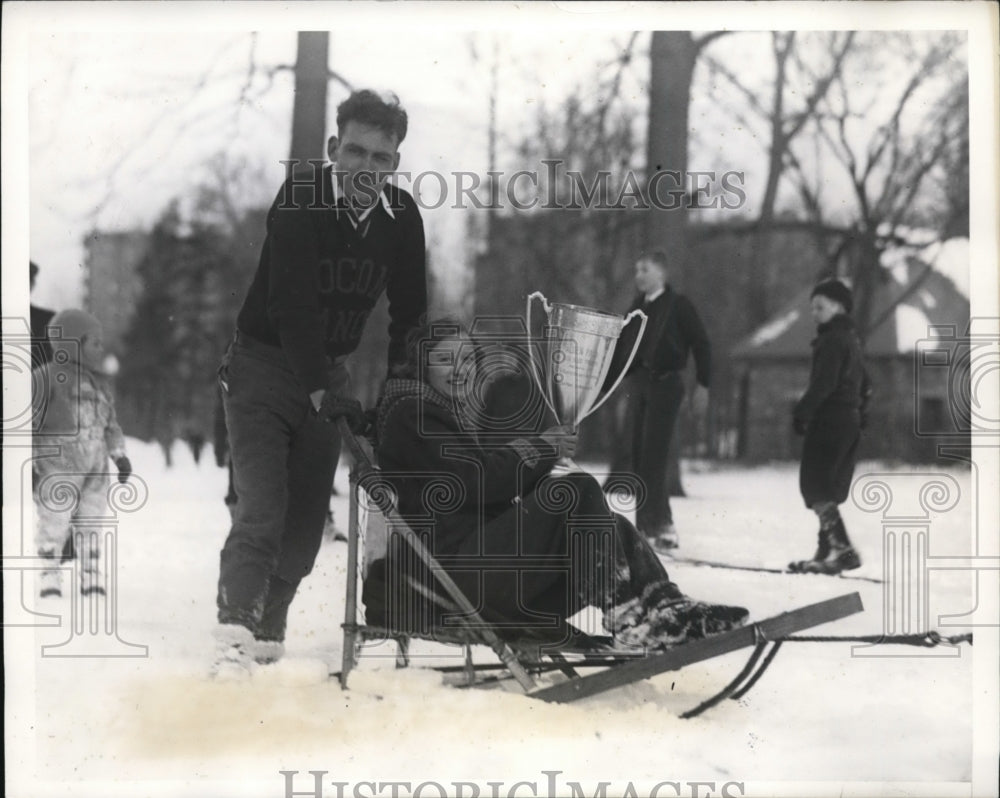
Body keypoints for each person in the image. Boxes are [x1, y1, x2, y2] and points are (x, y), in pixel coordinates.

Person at [363, 320, 748, 651]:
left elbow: (478, 481)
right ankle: (631, 618)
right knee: (576, 491)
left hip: (476, 570)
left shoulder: (436, 411)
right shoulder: (414, 413)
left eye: (466, 359)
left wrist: (539, 461)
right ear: (420, 367)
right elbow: (476, 481)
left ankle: (665, 609)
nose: (459, 369)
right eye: (444, 360)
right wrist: (540, 448)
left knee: (607, 525)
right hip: (456, 578)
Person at [212, 89, 427, 678]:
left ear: (395, 164)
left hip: (329, 370)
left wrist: (397, 396)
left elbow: (410, 315)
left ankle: (268, 620)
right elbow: (292, 304)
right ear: (334, 148)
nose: (366, 168)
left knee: (307, 525)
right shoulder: (303, 195)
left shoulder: (402, 218)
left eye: (381, 158)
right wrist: (318, 389)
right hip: (262, 364)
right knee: (263, 507)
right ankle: (233, 633)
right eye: (355, 152)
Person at [610, 250, 712, 553]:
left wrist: (703, 384)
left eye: (645, 269)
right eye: (636, 270)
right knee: (639, 455)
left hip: (666, 384)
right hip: (640, 385)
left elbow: (701, 343)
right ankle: (645, 527)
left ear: (661, 273)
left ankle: (662, 524)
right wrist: (609, 385)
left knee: (654, 454)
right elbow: (623, 350)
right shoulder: (637, 308)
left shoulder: (678, 305)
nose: (638, 275)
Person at [31, 310, 132, 598]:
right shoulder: (45, 378)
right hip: (57, 464)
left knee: (92, 518)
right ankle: (49, 572)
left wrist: (119, 455)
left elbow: (110, 423)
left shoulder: (100, 383)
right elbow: (29, 419)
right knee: (55, 517)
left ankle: (90, 570)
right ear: (73, 343)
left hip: (95, 467)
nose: (101, 349)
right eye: (95, 343)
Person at [789, 279, 871, 575]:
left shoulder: (832, 340)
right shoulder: (852, 339)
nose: (814, 312)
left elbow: (824, 383)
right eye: (812, 306)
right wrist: (859, 416)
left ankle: (843, 550)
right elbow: (867, 385)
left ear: (838, 307)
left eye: (819, 306)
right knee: (827, 485)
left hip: (829, 420)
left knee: (816, 485)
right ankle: (826, 553)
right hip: (847, 420)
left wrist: (802, 412)